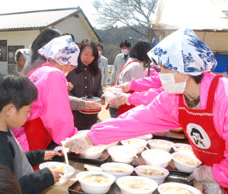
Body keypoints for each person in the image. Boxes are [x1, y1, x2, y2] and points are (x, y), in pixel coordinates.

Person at [63, 29, 228, 193]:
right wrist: (90, 137)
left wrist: (214, 173)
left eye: (165, 69)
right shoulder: (173, 99)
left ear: (183, 68)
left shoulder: (223, 97)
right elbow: (135, 121)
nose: (161, 76)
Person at [0, 74, 63, 194]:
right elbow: (10, 189)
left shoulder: (3, 131)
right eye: (28, 110)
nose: (29, 116)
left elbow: (15, 162)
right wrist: (45, 176)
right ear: (10, 110)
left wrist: (39, 155)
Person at [13, 35, 80, 152]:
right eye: (73, 67)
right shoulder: (54, 74)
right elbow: (58, 115)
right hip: (31, 134)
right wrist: (72, 138)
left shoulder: (40, 70)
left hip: (20, 130)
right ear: (68, 64)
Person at [67, 39, 103, 130]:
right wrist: (79, 103)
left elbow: (98, 88)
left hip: (92, 114)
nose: (88, 58)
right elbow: (65, 92)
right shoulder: (70, 69)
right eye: (86, 54)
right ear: (79, 53)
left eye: (92, 55)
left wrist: (102, 95)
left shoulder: (97, 71)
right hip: (74, 115)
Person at [114, 41, 152, 115]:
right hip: (129, 104)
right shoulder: (136, 66)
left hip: (123, 101)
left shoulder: (130, 62)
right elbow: (141, 89)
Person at [109, 40, 131, 118]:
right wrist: (112, 81)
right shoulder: (118, 57)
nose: (124, 49)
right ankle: (116, 116)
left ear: (129, 48)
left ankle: (124, 116)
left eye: (125, 48)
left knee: (125, 101)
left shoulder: (131, 58)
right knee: (116, 100)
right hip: (118, 83)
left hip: (127, 83)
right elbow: (114, 69)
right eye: (122, 48)